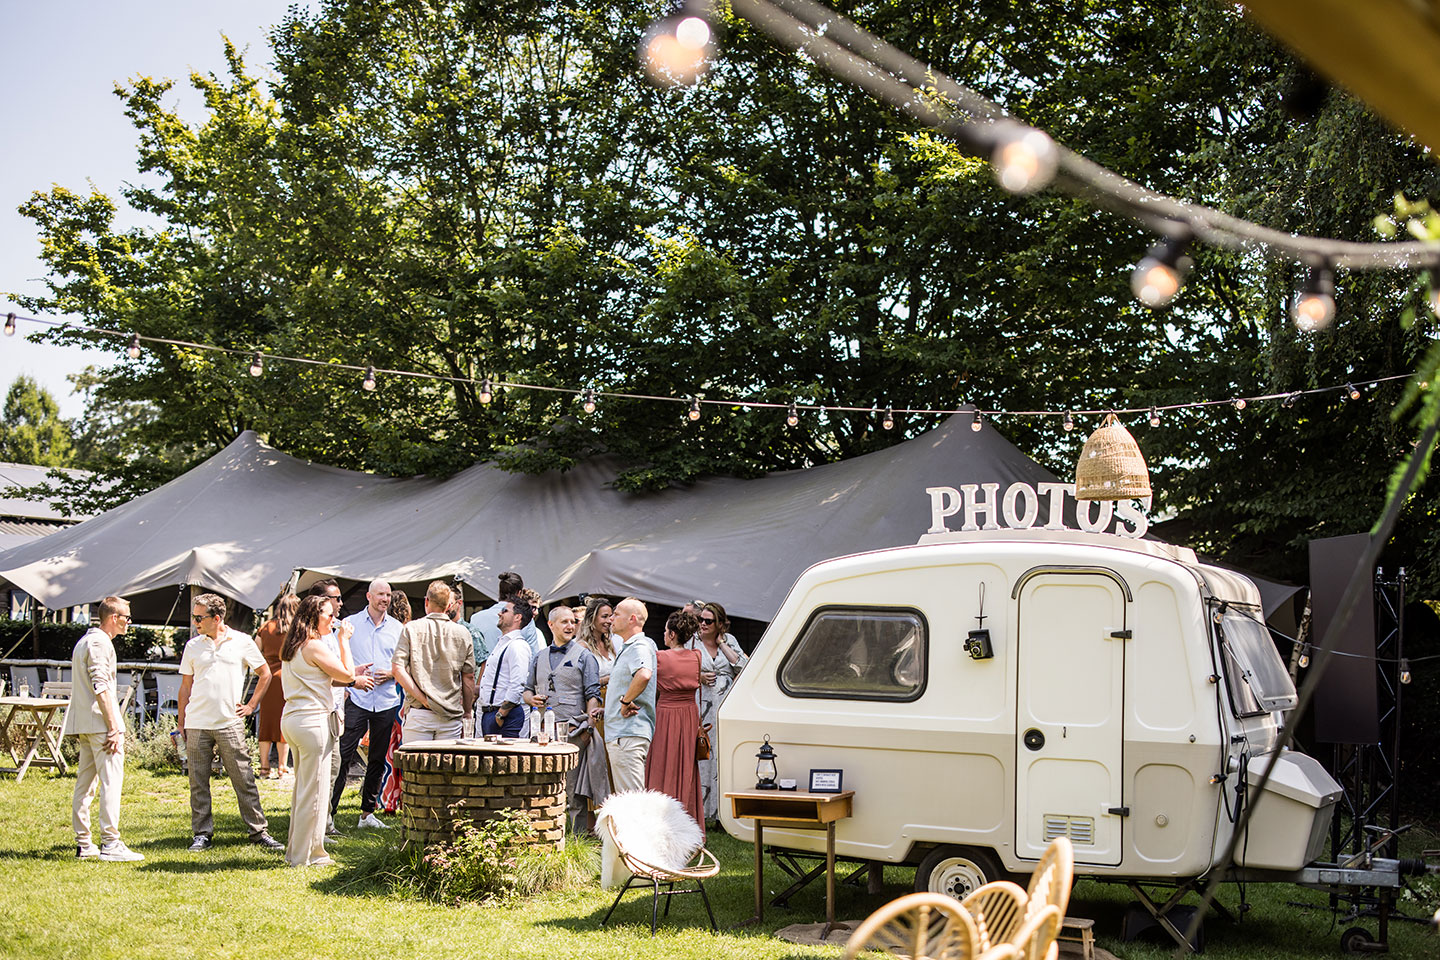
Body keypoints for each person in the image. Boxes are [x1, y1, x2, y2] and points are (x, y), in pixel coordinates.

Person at [177, 592, 284, 852]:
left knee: (244, 779)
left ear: (217, 618)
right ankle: (201, 834)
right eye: (194, 617)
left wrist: (251, 705)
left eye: (199, 617)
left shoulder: (242, 642)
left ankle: (259, 832)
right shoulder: (193, 645)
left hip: (229, 723)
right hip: (197, 723)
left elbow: (265, 673)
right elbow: (185, 686)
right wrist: (182, 722)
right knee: (198, 782)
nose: (195, 622)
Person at [281, 594, 374, 867]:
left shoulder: (295, 644)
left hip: (295, 719)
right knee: (316, 790)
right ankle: (305, 856)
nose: (333, 620)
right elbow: (346, 675)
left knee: (305, 789)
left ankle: (302, 851)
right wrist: (344, 641)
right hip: (312, 721)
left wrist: (348, 678)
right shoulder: (314, 645)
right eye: (328, 615)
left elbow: (328, 678)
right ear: (313, 616)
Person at [64, 595, 143, 861]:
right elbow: (101, 686)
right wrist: (113, 726)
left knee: (85, 784)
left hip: (86, 723)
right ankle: (110, 842)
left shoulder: (85, 641)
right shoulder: (98, 643)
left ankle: (84, 844)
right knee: (111, 782)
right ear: (114, 618)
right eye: (126, 618)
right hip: (100, 724)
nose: (129, 623)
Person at [330, 579, 403, 830]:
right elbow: (338, 659)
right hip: (357, 698)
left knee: (377, 758)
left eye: (388, 595)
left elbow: (404, 663)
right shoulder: (349, 624)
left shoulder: (398, 628)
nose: (385, 599)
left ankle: (367, 814)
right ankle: (329, 811)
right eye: (381, 594)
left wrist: (391, 674)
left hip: (386, 700)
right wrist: (348, 684)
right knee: (343, 755)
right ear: (369, 597)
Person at [523, 605, 601, 830]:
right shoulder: (539, 656)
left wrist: (589, 727)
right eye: (564, 622)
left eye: (572, 622)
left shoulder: (585, 656)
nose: (570, 626)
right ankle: (544, 832)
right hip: (543, 732)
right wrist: (531, 699)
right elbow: (527, 690)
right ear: (551, 625)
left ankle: (577, 842)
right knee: (542, 784)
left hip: (574, 729)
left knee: (574, 789)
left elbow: (592, 694)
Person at [392, 580, 477, 741]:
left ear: (426, 601)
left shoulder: (411, 628)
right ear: (449, 606)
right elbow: (469, 677)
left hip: (419, 712)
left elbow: (397, 669)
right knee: (446, 765)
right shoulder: (463, 633)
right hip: (450, 715)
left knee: (414, 765)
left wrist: (422, 699)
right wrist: (467, 711)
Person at [645, 610, 704, 833]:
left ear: (671, 634)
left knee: (661, 762)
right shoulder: (696, 655)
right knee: (686, 764)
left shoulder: (660, 657)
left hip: (667, 713)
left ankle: (659, 819)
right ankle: (686, 819)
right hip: (689, 714)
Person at [690, 601, 748, 822]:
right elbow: (679, 669)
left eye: (708, 621)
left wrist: (722, 644)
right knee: (703, 753)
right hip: (700, 702)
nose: (702, 624)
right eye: (700, 620)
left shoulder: (730, 641)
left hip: (725, 703)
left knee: (723, 754)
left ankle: (725, 813)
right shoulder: (691, 642)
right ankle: (704, 813)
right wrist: (699, 676)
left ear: (720, 624)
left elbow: (743, 667)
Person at [603, 597, 657, 794]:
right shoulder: (629, 647)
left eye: (616, 614)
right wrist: (609, 707)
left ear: (632, 619)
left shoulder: (638, 646)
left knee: (632, 803)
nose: (611, 619)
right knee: (627, 801)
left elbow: (643, 674)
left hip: (627, 733)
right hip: (623, 733)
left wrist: (625, 702)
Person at [574, 595, 616, 819]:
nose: (610, 620)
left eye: (611, 616)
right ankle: (592, 819)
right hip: (594, 704)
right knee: (596, 761)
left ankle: (610, 814)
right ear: (592, 619)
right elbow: (579, 681)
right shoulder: (581, 647)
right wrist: (607, 679)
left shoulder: (611, 644)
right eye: (605, 616)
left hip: (613, 706)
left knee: (611, 759)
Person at [256, 593, 298, 778]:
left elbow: (254, 653)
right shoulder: (295, 630)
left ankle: (264, 767)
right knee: (284, 722)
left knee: (266, 723)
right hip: (287, 678)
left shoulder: (265, 627)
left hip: (267, 679)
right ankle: (282, 767)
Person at [477, 598, 533, 737]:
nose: (499, 614)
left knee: (506, 758)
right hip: (492, 714)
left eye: (505, 611)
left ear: (517, 617)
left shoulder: (517, 645)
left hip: (505, 716)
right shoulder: (503, 642)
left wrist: (501, 714)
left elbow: (518, 683)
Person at [470, 571, 545, 659]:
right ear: (519, 593)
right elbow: (533, 656)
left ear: (499, 592)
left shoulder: (476, 618)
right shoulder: (525, 619)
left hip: (483, 671)